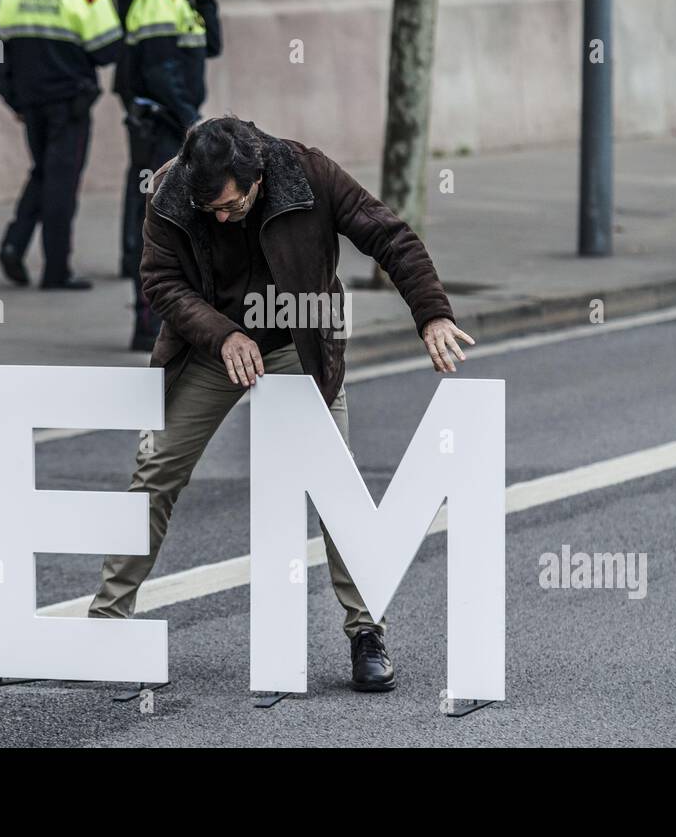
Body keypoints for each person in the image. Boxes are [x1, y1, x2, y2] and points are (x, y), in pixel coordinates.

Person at [87, 117, 475, 693]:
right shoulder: (172, 191)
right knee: (157, 468)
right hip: (211, 347)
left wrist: (432, 312)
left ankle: (367, 633)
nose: (221, 217)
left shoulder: (308, 172)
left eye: (231, 206)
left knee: (337, 487)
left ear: (258, 177)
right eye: (210, 208)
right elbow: (161, 282)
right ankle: (106, 625)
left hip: (299, 343)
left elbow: (388, 235)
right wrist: (221, 334)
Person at [0, 0, 123, 290]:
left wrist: (10, 93)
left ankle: (15, 245)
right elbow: (108, 51)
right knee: (61, 184)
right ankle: (55, 270)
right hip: (69, 104)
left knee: (44, 172)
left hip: (30, 102)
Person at [123, 0, 222, 349]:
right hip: (163, 129)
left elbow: (213, 46)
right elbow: (160, 71)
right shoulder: (160, 0)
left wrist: (208, 0)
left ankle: (171, 321)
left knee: (181, 222)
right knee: (154, 222)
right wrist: (191, 119)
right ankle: (145, 324)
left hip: (177, 129)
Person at [114, 0, 186, 282]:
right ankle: (135, 252)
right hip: (144, 92)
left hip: (141, 87)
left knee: (147, 175)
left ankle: (135, 250)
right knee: (147, 176)